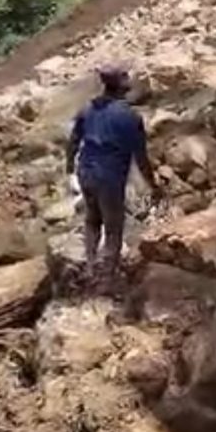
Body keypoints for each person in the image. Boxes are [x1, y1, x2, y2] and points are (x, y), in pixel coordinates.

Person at [66, 64, 160, 285]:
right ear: (122, 84)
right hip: (109, 176)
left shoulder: (87, 109)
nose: (130, 80)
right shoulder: (130, 117)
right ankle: (107, 277)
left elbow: (73, 142)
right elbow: (141, 158)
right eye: (126, 77)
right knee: (113, 226)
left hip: (86, 171)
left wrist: (69, 169)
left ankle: (90, 265)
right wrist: (153, 185)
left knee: (92, 219)